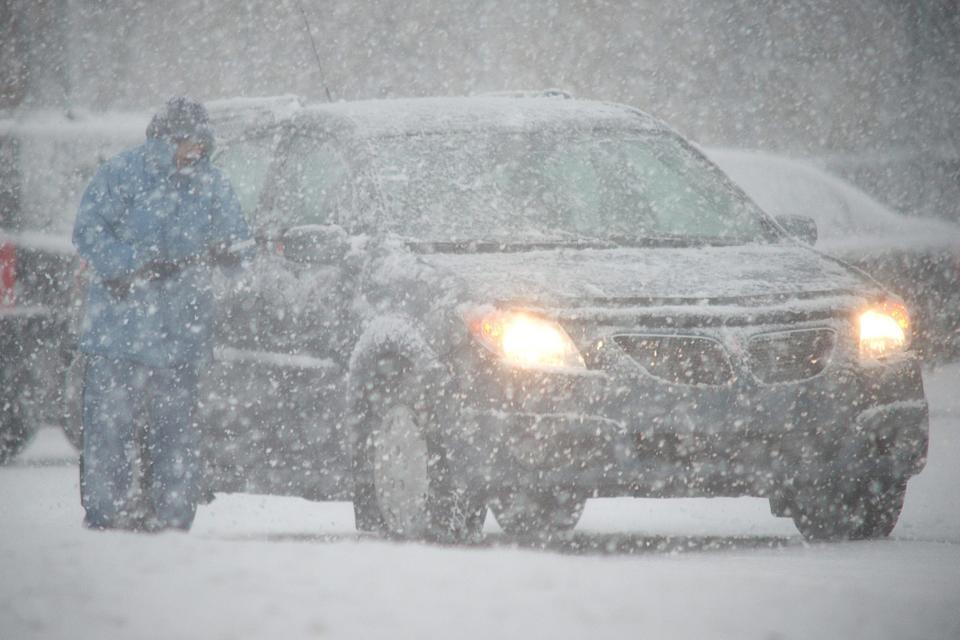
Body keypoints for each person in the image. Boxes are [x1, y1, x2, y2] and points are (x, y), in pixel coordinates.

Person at [73, 96, 250, 531]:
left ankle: (172, 513)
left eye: (202, 143)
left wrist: (230, 257)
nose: (197, 151)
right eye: (190, 141)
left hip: (180, 328)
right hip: (121, 328)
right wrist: (127, 264)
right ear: (168, 139)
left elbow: (238, 242)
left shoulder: (211, 183)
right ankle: (107, 510)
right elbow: (89, 231)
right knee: (110, 427)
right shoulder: (122, 175)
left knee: (177, 429)